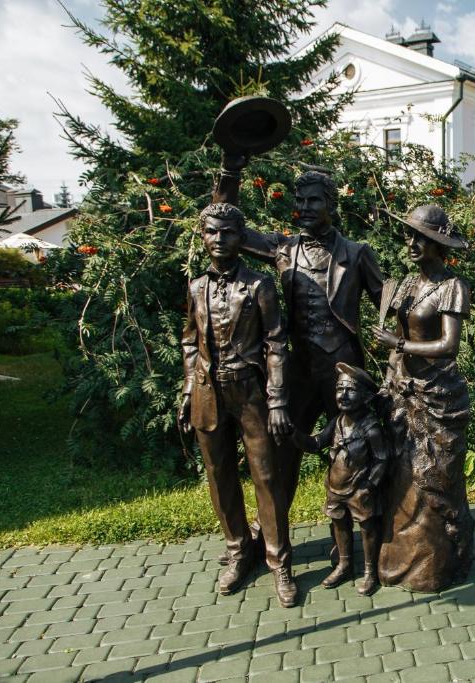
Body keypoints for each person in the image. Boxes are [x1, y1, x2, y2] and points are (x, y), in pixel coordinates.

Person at [239, 171, 385, 515]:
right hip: (299, 367)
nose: (304, 207)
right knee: (282, 446)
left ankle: (366, 530)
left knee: (354, 449)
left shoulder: (357, 253)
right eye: (300, 200)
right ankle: (272, 530)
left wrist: (404, 354)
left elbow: (387, 306)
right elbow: (236, 232)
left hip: (343, 369)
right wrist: (231, 172)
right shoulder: (284, 248)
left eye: (313, 200)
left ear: (330, 205)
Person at [178, 203, 297, 608]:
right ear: (203, 236)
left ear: (241, 237)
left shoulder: (260, 285)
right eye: (211, 231)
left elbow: (276, 343)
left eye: (227, 232)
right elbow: (190, 342)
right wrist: (187, 391)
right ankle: (238, 550)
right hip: (207, 392)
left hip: (250, 393)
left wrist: (277, 400)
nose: (219, 239)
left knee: (266, 475)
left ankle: (279, 561)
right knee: (219, 475)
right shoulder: (196, 287)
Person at [372, 204, 475, 592]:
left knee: (432, 479)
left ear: (438, 244)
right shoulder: (405, 286)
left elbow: (449, 346)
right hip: (404, 394)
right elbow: (397, 345)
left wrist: (399, 344)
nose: (412, 243)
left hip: (438, 399)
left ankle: (437, 564)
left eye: (421, 238)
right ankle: (396, 560)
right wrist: (389, 379)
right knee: (402, 479)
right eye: (410, 236)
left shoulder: (452, 286)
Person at [290, 363, 389, 596]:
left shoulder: (371, 427)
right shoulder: (336, 422)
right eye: (339, 389)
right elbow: (316, 443)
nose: (342, 395)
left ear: (365, 397)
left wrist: (369, 485)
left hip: (360, 489)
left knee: (367, 528)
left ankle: (370, 571)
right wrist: (293, 434)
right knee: (340, 524)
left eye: (350, 390)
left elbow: (382, 458)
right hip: (335, 488)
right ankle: (344, 564)